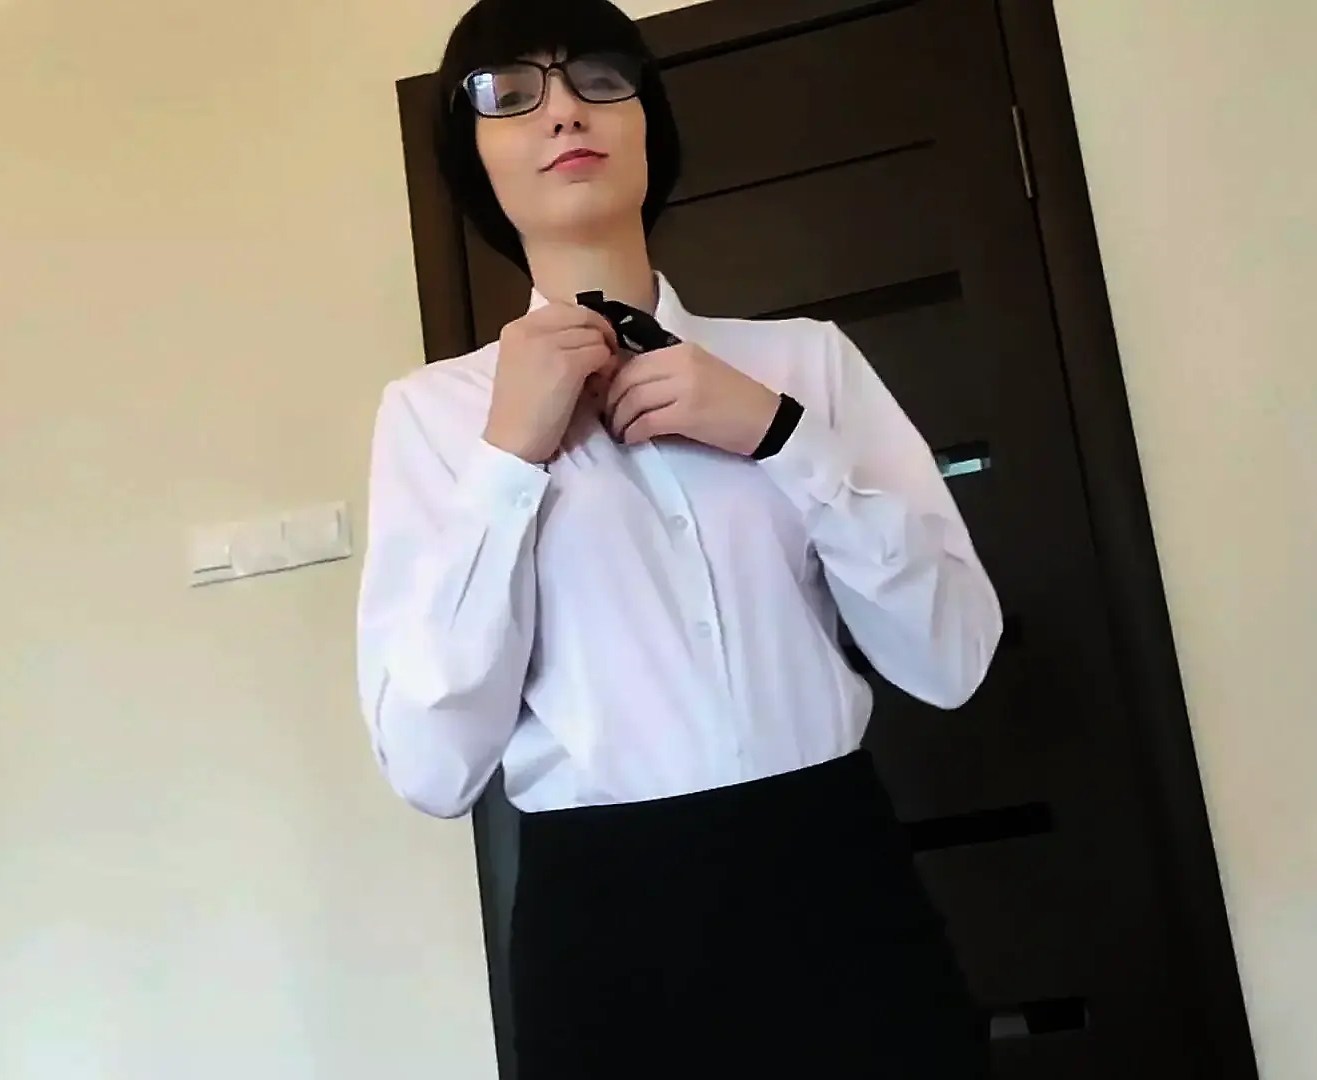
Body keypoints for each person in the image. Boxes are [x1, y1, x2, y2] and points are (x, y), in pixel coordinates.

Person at [354, 0, 1003, 1075]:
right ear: (474, 159)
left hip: (840, 885)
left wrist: (783, 437)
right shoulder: (432, 418)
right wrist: (508, 460)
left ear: (648, 122)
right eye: (511, 92)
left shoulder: (805, 364)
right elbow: (432, 766)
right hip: (605, 929)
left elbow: (953, 659)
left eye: (599, 77)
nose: (564, 110)